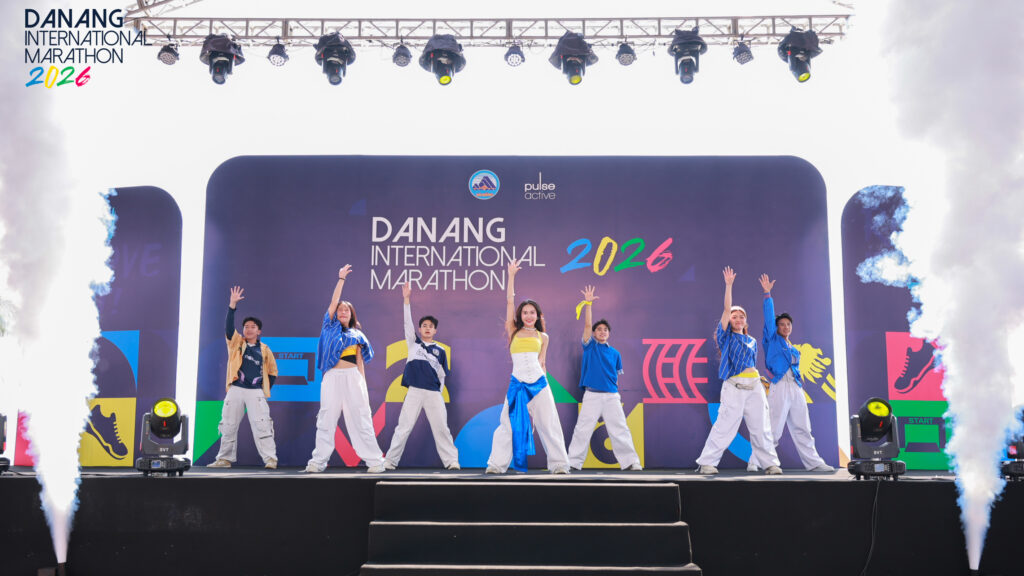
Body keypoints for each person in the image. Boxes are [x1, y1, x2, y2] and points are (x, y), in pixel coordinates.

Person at [485, 259, 570, 474]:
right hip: (518, 383)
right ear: (520, 315)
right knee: (507, 424)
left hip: (539, 384)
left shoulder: (543, 337)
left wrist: (545, 385)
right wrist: (511, 276)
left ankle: (559, 464)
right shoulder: (512, 330)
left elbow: (543, 363)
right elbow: (509, 302)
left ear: (538, 316)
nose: (528, 315)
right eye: (525, 312)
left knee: (549, 424)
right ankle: (496, 465)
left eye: (532, 312)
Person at [695, 267, 782, 475]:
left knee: (761, 427)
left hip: (754, 386)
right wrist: (729, 285)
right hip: (734, 386)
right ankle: (707, 463)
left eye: (741, 316)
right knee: (725, 425)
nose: (737, 318)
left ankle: (770, 464)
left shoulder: (752, 341)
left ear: (746, 321)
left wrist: (767, 294)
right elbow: (726, 310)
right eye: (734, 316)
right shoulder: (725, 337)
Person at [747, 274, 834, 472]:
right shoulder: (772, 339)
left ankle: (814, 463)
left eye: (788, 324)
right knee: (773, 428)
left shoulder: (793, 348)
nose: (785, 327)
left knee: (803, 427)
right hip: (779, 386)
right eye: (782, 324)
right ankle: (755, 461)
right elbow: (769, 318)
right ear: (776, 327)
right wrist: (767, 294)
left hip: (796, 388)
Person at [305, 265, 385, 473]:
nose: (342, 311)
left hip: (353, 377)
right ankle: (318, 462)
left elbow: (360, 362)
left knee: (361, 417)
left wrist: (362, 385)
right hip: (332, 376)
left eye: (346, 310)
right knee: (326, 418)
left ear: (351, 315)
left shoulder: (357, 335)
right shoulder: (328, 327)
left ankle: (375, 462)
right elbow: (333, 302)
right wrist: (341, 279)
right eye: (340, 309)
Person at [383, 282, 460, 470]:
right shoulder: (413, 343)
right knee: (403, 427)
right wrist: (406, 300)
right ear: (419, 329)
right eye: (424, 325)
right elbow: (406, 323)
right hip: (414, 391)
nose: (427, 328)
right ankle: (390, 461)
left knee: (441, 428)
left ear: (435, 330)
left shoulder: (441, 351)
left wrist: (437, 392)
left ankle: (451, 461)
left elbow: (442, 375)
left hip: (433, 393)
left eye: (430, 326)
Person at [566, 285, 642, 471]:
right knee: (582, 429)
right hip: (592, 395)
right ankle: (573, 463)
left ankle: (630, 462)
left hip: (611, 396)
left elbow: (615, 376)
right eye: (598, 329)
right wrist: (588, 304)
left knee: (620, 429)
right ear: (593, 333)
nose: (602, 331)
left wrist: (613, 392)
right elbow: (587, 325)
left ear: (609, 333)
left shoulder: (615, 353)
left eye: (605, 329)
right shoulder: (590, 346)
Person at [208, 286, 279, 469]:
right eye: (246, 327)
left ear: (259, 331)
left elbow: (272, 372)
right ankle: (224, 459)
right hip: (236, 389)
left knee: (263, 425)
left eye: (253, 327)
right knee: (228, 425)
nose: (249, 329)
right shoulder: (236, 343)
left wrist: (262, 390)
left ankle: (270, 459)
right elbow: (229, 328)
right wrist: (232, 305)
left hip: (255, 392)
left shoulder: (265, 350)